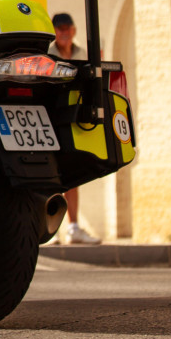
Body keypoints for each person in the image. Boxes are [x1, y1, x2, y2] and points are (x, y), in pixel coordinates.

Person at [49, 12, 101, 245]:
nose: (64, 32)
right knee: (51, 177)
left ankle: (73, 227)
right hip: (50, 117)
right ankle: (51, 231)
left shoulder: (82, 54)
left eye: (67, 28)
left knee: (72, 176)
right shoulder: (47, 54)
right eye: (59, 28)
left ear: (74, 30)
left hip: (73, 118)